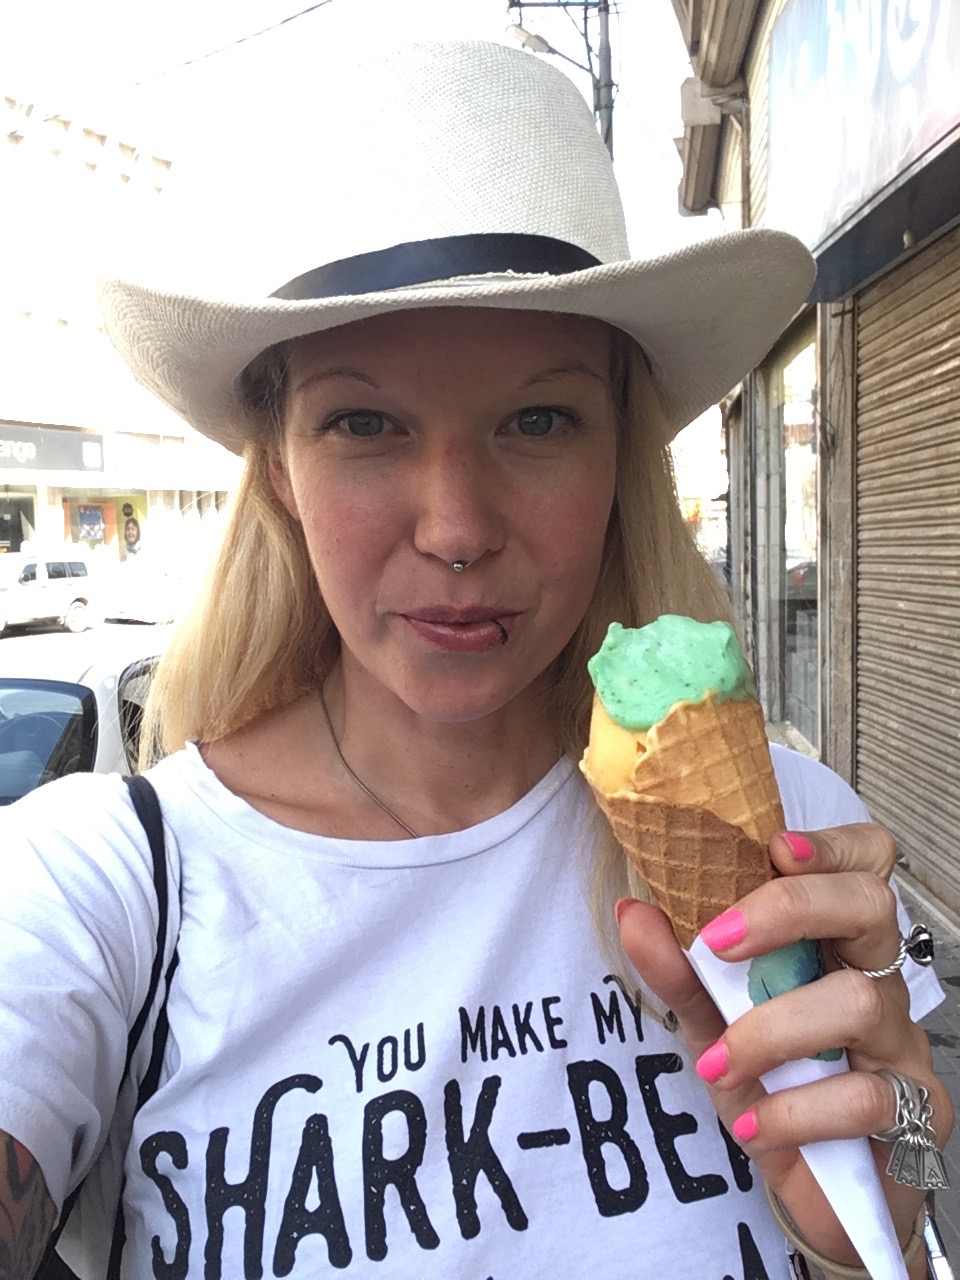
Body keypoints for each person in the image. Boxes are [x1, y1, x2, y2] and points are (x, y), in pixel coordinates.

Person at [0, 40, 951, 1280]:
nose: (455, 528)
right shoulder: (105, 890)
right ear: (278, 470)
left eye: (538, 419)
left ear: (621, 457)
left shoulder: (788, 837)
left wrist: (876, 1224)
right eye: (365, 422)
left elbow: (908, 1228)